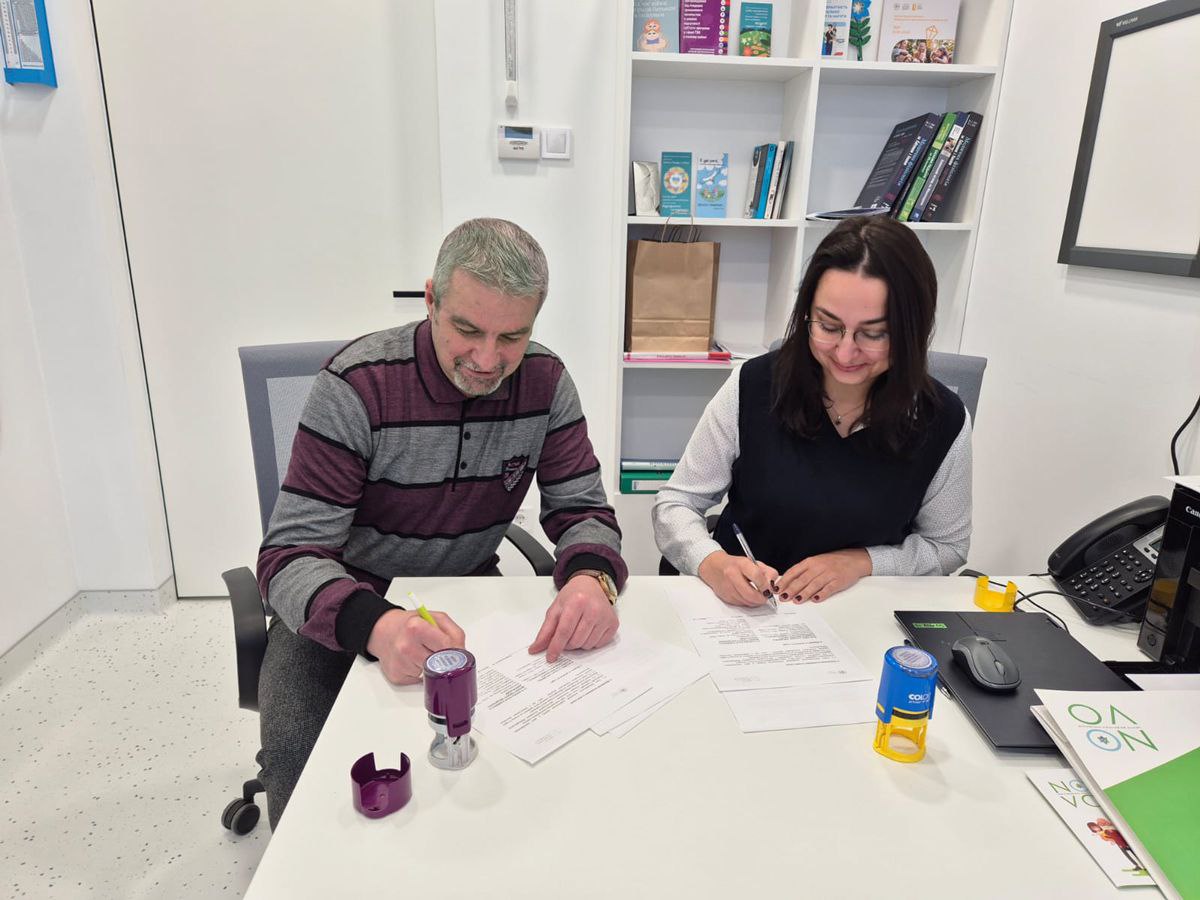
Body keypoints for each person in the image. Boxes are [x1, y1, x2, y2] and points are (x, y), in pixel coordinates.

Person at [255, 218, 626, 828]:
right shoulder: (357, 385)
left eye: (513, 336)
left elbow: (583, 509)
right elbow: (288, 557)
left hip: (469, 594)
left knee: (528, 770)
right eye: (468, 329)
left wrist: (592, 578)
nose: (487, 360)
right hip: (346, 601)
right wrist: (377, 625)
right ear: (431, 299)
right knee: (302, 769)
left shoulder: (545, 382)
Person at [652, 215, 971, 608]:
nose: (845, 352)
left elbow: (948, 546)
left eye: (874, 334)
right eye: (828, 326)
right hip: (750, 610)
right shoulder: (754, 385)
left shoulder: (942, 420)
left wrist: (862, 562)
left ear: (912, 330)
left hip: (859, 612)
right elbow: (676, 505)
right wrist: (713, 563)